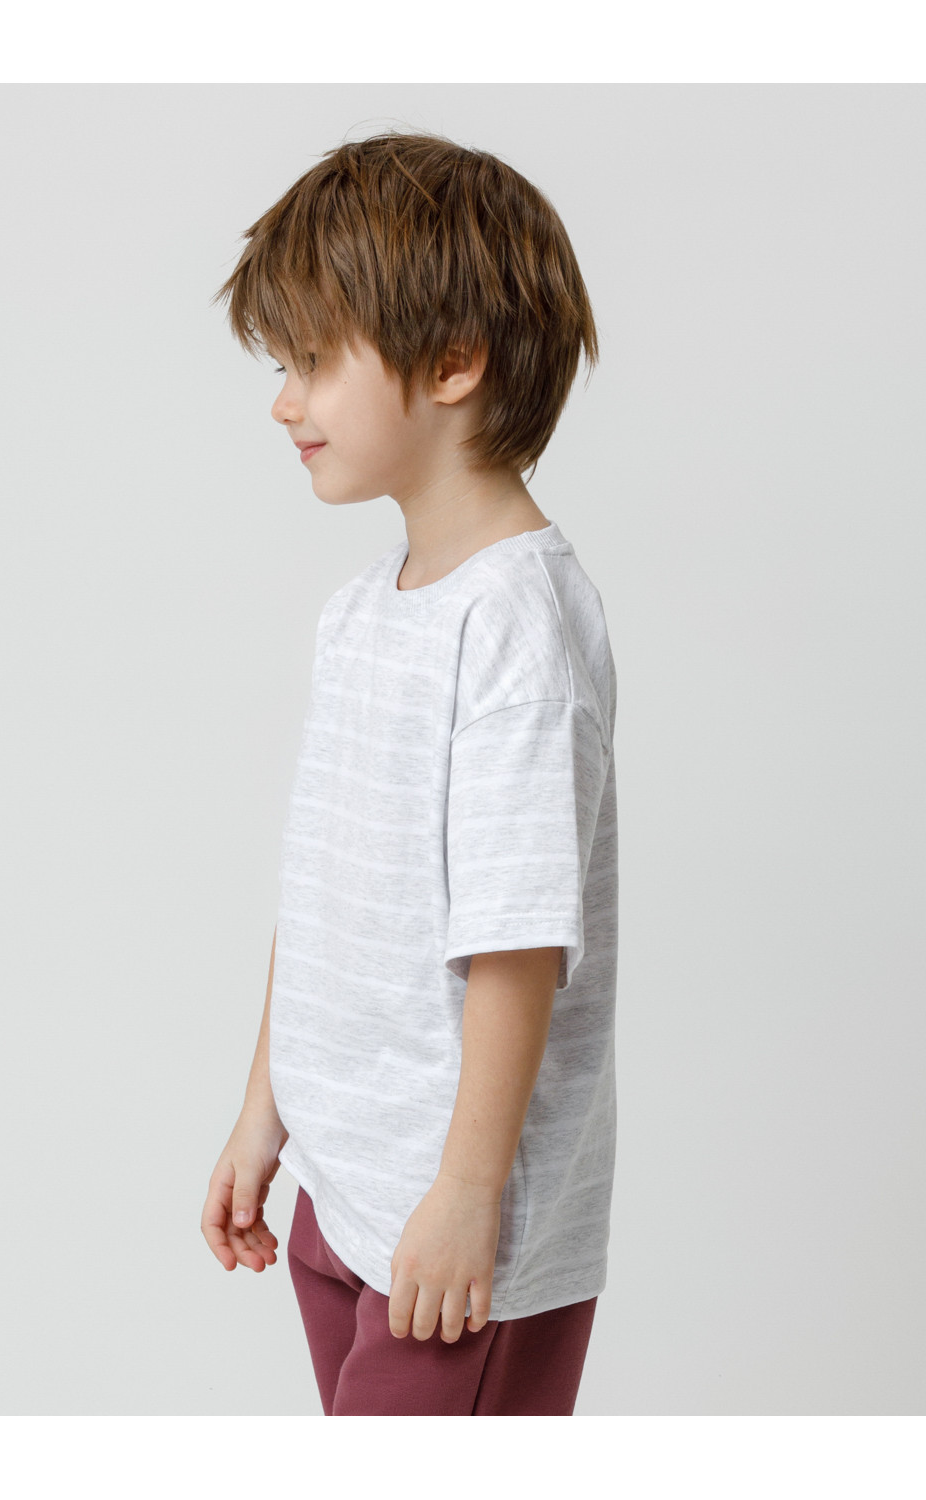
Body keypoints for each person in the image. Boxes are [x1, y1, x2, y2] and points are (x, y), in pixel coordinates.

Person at [200, 129, 619, 1417]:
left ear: (452, 364)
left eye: (312, 362)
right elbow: (322, 893)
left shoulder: (519, 629)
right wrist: (265, 1114)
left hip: (454, 1242)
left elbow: (517, 941)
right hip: (345, 1193)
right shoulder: (363, 614)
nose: (285, 403)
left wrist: (468, 1194)